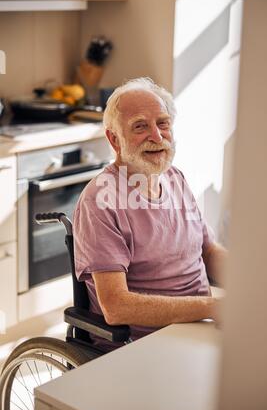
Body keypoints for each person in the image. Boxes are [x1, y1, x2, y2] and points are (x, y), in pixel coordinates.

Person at [73, 77, 227, 353]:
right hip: (141, 346)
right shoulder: (100, 200)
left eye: (163, 123)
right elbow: (116, 307)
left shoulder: (174, 178)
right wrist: (212, 307)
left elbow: (209, 251)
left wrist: (257, 282)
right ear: (114, 139)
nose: (157, 137)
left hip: (197, 330)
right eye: (140, 126)